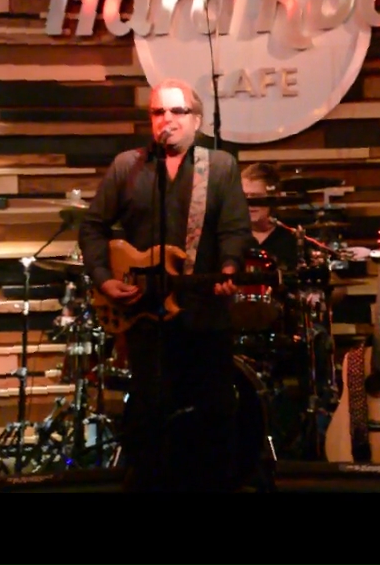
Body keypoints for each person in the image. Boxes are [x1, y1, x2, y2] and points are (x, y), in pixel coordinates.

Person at [78, 78, 252, 492]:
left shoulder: (220, 166)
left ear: (197, 120)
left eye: (177, 111)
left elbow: (234, 229)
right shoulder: (128, 166)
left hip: (203, 314)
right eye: (158, 112)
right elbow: (92, 227)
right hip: (144, 315)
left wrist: (229, 267)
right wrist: (104, 279)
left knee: (213, 414)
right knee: (149, 417)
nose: (166, 120)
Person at [240, 162, 300, 272]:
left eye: (257, 197)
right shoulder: (231, 237)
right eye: (245, 197)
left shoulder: (291, 237)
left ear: (274, 197)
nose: (250, 203)